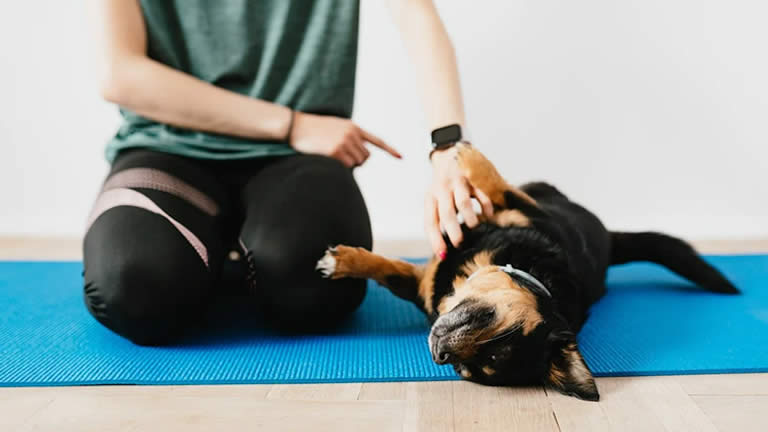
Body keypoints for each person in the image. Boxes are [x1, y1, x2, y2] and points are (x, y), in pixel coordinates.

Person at [84, 0, 494, 346]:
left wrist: (449, 148)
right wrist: (292, 123)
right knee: (134, 288)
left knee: (313, 286)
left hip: (296, 159)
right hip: (166, 148)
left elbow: (417, 18)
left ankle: (231, 260)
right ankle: (217, 260)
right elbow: (119, 73)